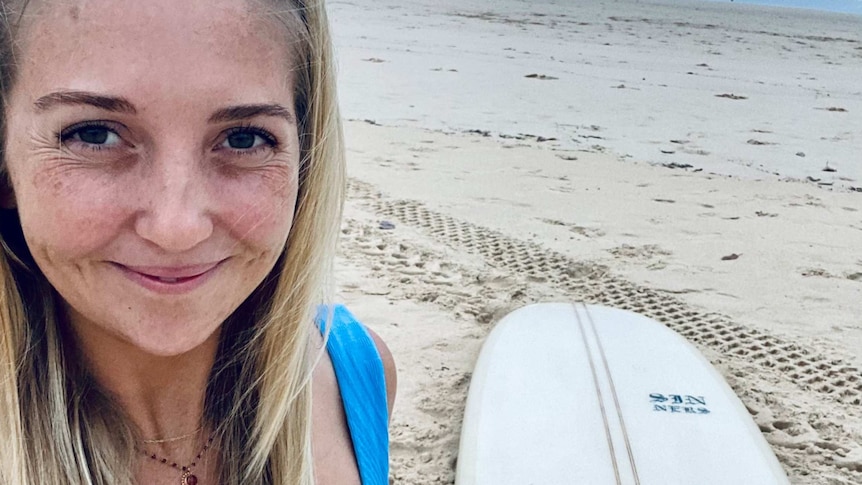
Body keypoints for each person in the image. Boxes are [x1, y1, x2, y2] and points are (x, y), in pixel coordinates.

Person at [0, 0, 396, 484]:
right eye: (95, 134)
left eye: (244, 139)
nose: (177, 228)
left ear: (304, 160)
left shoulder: (353, 375)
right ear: (5, 165)